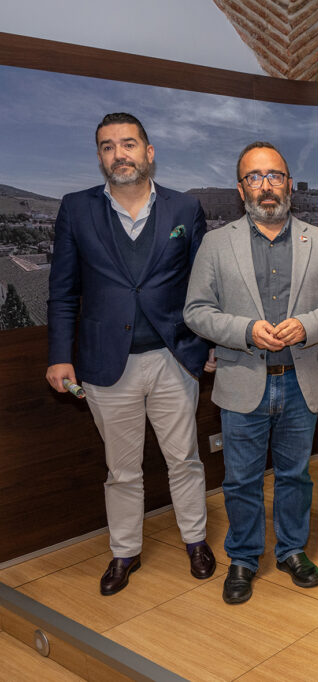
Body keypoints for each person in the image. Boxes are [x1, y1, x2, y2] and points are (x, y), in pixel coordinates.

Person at [45, 112, 216, 595]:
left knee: (184, 459)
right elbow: (62, 290)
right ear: (100, 156)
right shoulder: (76, 209)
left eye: (128, 144)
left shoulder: (186, 209)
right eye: (107, 147)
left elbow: (203, 288)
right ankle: (124, 552)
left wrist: (207, 346)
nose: (119, 154)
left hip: (173, 356)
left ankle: (196, 541)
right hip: (104, 365)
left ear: (149, 152)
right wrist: (60, 355)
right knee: (121, 469)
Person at [184, 141, 318, 604]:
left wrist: (306, 326)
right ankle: (242, 558)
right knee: (240, 480)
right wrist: (244, 330)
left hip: (302, 382)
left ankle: (291, 551)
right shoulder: (216, 244)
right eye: (255, 177)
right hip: (243, 380)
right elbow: (197, 312)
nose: (266, 186)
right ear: (241, 188)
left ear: (289, 184)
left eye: (275, 176)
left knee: (295, 475)